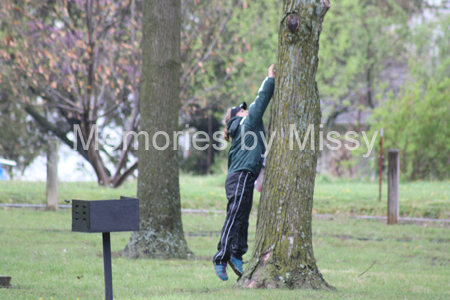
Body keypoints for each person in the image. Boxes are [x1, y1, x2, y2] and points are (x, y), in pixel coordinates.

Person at [213, 64, 276, 281]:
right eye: (241, 109)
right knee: (234, 215)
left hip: (245, 177)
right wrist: (269, 79)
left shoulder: (248, 125)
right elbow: (260, 103)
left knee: (242, 216)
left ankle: (237, 255)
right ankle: (221, 257)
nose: (246, 110)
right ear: (235, 118)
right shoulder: (244, 123)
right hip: (239, 176)